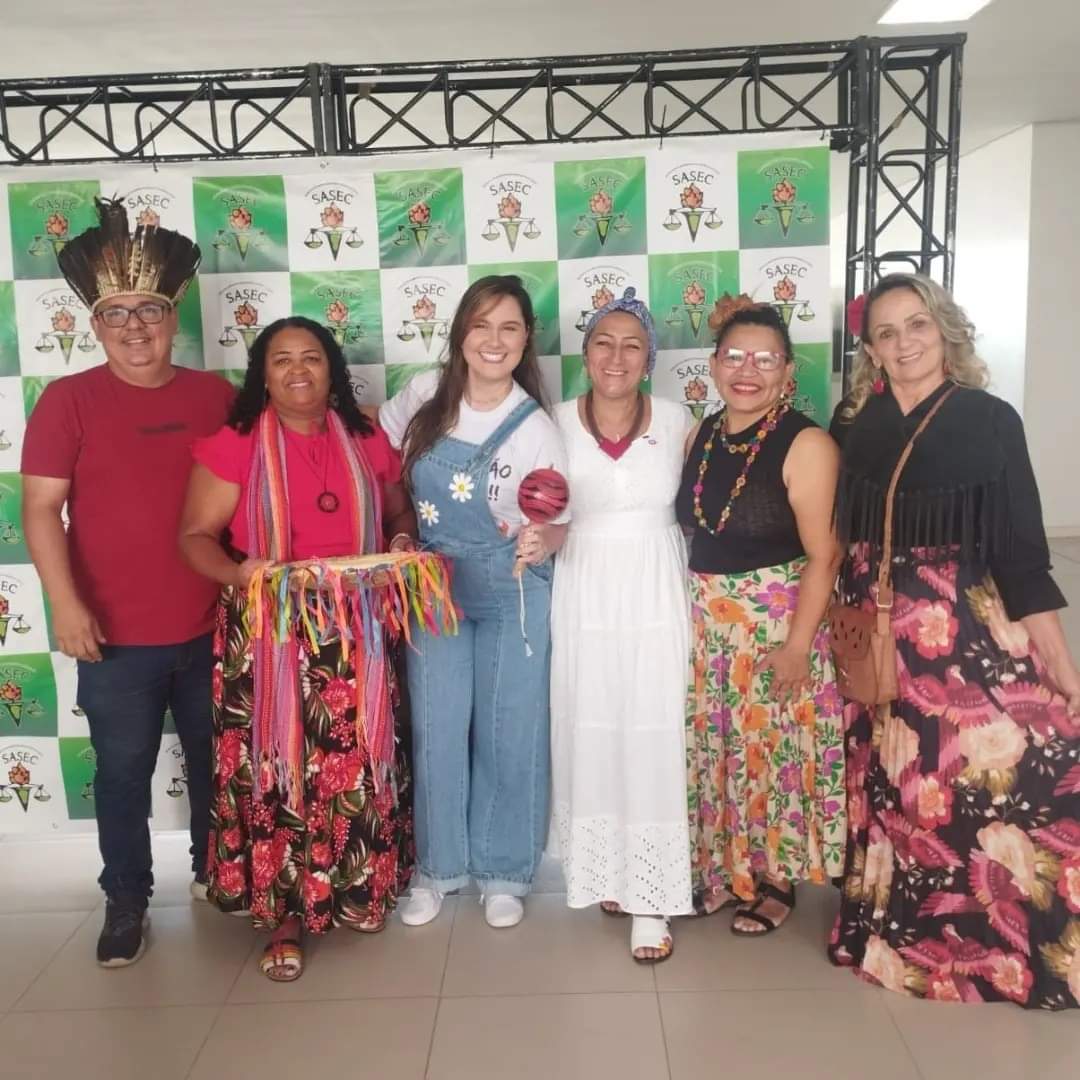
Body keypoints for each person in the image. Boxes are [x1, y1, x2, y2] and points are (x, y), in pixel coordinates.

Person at [828, 273, 1080, 1009]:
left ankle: (1007, 949)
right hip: (876, 632)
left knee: (1015, 767)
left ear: (944, 329)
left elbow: (1022, 553)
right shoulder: (857, 424)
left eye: (917, 325)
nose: (904, 342)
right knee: (897, 787)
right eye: (886, 332)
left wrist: (1060, 663)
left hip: (958, 628)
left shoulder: (989, 419)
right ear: (871, 349)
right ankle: (900, 940)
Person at [20, 199, 233, 967]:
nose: (135, 326)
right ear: (95, 324)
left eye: (150, 309)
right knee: (121, 774)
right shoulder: (67, 400)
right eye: (117, 313)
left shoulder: (217, 396)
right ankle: (127, 899)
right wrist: (65, 604)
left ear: (174, 316)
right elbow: (39, 510)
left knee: (218, 763)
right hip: (112, 634)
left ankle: (217, 872)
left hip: (212, 623)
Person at [178, 316, 417, 982]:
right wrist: (240, 573)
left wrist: (401, 541)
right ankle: (283, 917)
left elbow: (398, 511)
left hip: (355, 633)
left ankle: (356, 892)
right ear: (262, 374)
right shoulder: (236, 444)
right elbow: (194, 537)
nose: (298, 370)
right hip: (271, 635)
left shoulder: (366, 438)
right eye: (281, 359)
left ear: (332, 368)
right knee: (279, 770)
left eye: (311, 357)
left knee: (354, 768)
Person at [378, 275, 568, 929]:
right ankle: (437, 870)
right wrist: (400, 529)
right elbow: (379, 462)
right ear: (460, 332)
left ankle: (504, 872)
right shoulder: (423, 395)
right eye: (481, 324)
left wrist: (541, 540)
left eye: (509, 327)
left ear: (526, 339)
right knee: (436, 727)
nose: (494, 340)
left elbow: (556, 521)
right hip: (434, 584)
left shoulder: (536, 426)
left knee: (509, 730)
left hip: (511, 589)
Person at [676, 294, 846, 935]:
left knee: (771, 754)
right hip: (709, 630)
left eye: (765, 359)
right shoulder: (701, 433)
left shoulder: (807, 443)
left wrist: (798, 646)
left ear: (788, 371)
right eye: (735, 356)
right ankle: (726, 873)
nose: (747, 371)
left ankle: (775, 879)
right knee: (720, 752)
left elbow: (826, 555)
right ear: (714, 364)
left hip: (776, 628)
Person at [549, 288, 693, 963]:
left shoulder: (679, 418)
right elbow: (543, 513)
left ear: (649, 358)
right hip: (583, 588)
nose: (616, 356)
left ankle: (653, 897)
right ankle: (608, 870)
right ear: (585, 354)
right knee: (594, 722)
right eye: (603, 343)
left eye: (632, 345)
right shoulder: (553, 422)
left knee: (653, 725)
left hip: (656, 588)